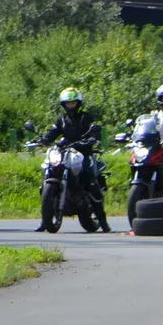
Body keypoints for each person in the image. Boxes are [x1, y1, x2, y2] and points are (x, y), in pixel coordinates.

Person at [36, 87, 109, 231]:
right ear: (64, 104)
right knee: (49, 173)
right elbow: (52, 132)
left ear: (78, 103)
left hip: (84, 153)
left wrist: (92, 140)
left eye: (73, 103)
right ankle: (45, 221)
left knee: (91, 181)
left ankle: (103, 221)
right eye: (68, 103)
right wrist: (43, 139)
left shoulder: (86, 118)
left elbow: (94, 133)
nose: (71, 106)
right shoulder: (62, 120)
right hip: (65, 153)